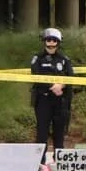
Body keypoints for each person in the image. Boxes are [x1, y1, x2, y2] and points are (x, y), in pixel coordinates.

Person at [29, 26, 74, 154]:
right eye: (48, 40)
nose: (51, 43)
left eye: (54, 40)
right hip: (43, 100)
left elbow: (70, 76)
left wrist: (62, 85)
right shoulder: (37, 58)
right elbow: (36, 75)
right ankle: (40, 164)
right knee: (42, 133)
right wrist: (52, 86)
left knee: (59, 134)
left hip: (60, 101)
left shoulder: (64, 59)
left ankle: (59, 164)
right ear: (44, 41)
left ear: (58, 42)